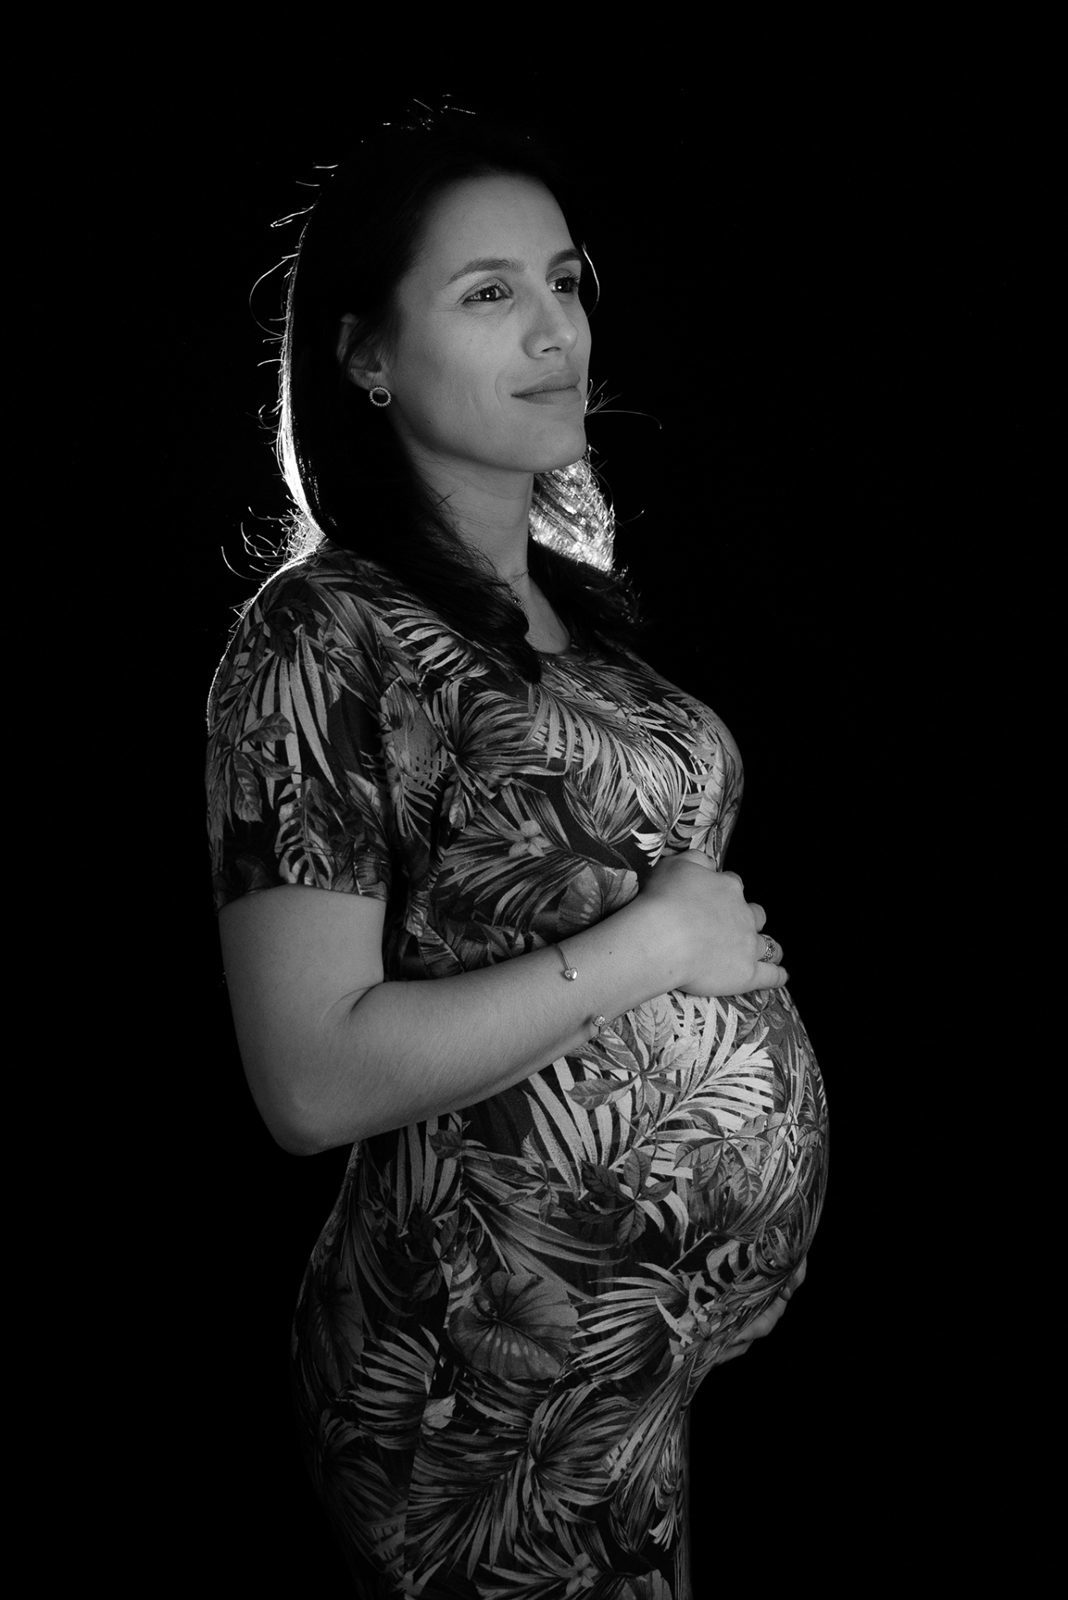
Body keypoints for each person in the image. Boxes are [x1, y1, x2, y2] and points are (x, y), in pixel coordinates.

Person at [205, 105, 828, 1600]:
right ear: (364, 355)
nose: (556, 330)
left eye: (564, 281)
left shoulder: (586, 626)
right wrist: (651, 948)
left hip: (628, 1374)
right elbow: (309, 1080)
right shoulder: (322, 635)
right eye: (488, 293)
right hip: (467, 1388)